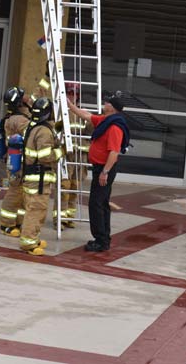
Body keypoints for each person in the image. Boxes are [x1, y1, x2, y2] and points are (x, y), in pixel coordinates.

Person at [67, 91, 129, 252]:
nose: (105, 103)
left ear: (113, 108)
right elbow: (87, 116)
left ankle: (100, 241)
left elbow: (114, 152)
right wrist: (70, 105)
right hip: (100, 168)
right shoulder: (106, 120)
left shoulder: (115, 127)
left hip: (104, 170)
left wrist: (105, 172)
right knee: (101, 203)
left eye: (108, 102)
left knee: (96, 204)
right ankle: (103, 238)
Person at [19, 97, 62, 256]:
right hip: (39, 179)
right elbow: (45, 157)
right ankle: (28, 243)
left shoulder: (32, 126)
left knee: (34, 210)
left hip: (32, 178)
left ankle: (33, 238)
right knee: (36, 211)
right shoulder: (43, 131)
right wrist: (60, 152)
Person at [53, 82, 93, 229]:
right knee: (64, 186)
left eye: (74, 93)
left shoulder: (82, 113)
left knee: (75, 187)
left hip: (80, 156)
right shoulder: (59, 111)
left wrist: (92, 119)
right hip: (66, 154)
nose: (72, 96)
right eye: (69, 93)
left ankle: (69, 216)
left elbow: (89, 131)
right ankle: (59, 218)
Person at [0, 86, 31, 237]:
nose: (28, 98)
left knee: (22, 193)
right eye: (24, 97)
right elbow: (32, 136)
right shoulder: (19, 120)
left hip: (20, 162)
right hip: (18, 163)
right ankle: (6, 224)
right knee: (14, 192)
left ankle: (18, 221)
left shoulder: (13, 117)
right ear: (19, 102)